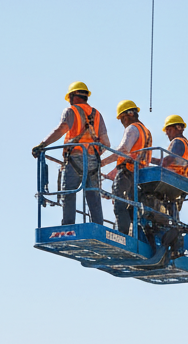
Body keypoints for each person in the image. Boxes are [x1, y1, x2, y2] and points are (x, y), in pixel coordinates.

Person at [32, 81, 111, 225]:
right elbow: (106, 144)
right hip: (93, 161)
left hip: (74, 158)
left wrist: (42, 145)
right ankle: (98, 225)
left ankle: (68, 225)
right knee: (93, 194)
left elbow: (61, 130)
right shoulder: (97, 114)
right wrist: (95, 153)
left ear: (74, 96)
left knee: (68, 192)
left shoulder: (71, 111)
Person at [102, 100, 153, 235]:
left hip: (128, 172)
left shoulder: (132, 128)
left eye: (121, 119)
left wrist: (102, 162)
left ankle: (122, 234)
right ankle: (133, 232)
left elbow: (124, 150)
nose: (122, 123)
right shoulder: (146, 131)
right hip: (138, 175)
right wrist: (112, 173)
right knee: (131, 205)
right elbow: (133, 156)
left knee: (119, 203)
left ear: (126, 116)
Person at [157, 114, 188, 180]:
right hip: (184, 181)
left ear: (178, 127)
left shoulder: (178, 142)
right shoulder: (187, 145)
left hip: (172, 178)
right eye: (166, 131)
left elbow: (166, 162)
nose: (167, 133)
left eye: (169, 130)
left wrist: (148, 159)